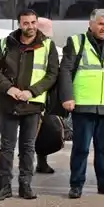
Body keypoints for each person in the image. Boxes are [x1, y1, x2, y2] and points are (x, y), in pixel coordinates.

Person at [0, 9, 60, 201]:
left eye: (33, 22)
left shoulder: (47, 45)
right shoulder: (6, 43)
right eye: (26, 23)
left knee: (28, 147)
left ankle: (25, 185)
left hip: (32, 104)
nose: (30, 26)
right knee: (7, 147)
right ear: (19, 24)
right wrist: (8, 88)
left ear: (37, 23)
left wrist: (32, 91)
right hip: (8, 102)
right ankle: (4, 186)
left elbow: (52, 74)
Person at [58, 9, 104, 199]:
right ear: (91, 24)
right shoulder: (77, 42)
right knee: (81, 148)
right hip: (83, 104)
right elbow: (65, 71)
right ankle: (76, 184)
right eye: (100, 24)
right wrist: (67, 97)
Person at [33, 18, 65, 175]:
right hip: (28, 97)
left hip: (42, 96)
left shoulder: (47, 46)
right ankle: (30, 164)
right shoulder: (29, 46)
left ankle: (41, 162)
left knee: (44, 130)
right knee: (31, 132)